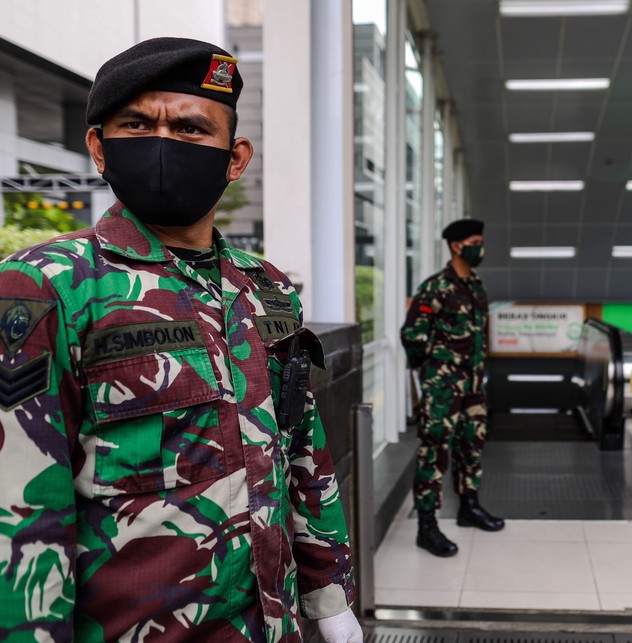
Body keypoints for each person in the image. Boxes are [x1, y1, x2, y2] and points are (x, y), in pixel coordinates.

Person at [0, 38, 362, 642]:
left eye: (192, 128)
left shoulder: (266, 287)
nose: (163, 143)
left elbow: (303, 446)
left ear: (235, 158)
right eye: (137, 124)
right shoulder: (45, 286)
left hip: (271, 625)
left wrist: (331, 597)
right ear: (98, 147)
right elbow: (19, 509)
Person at [400, 219, 505, 557]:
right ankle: (426, 526)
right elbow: (412, 335)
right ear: (457, 245)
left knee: (471, 445)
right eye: (476, 241)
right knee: (435, 450)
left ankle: (469, 507)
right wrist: (436, 367)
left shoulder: (476, 286)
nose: (481, 247)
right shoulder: (435, 287)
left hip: (473, 383)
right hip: (443, 384)